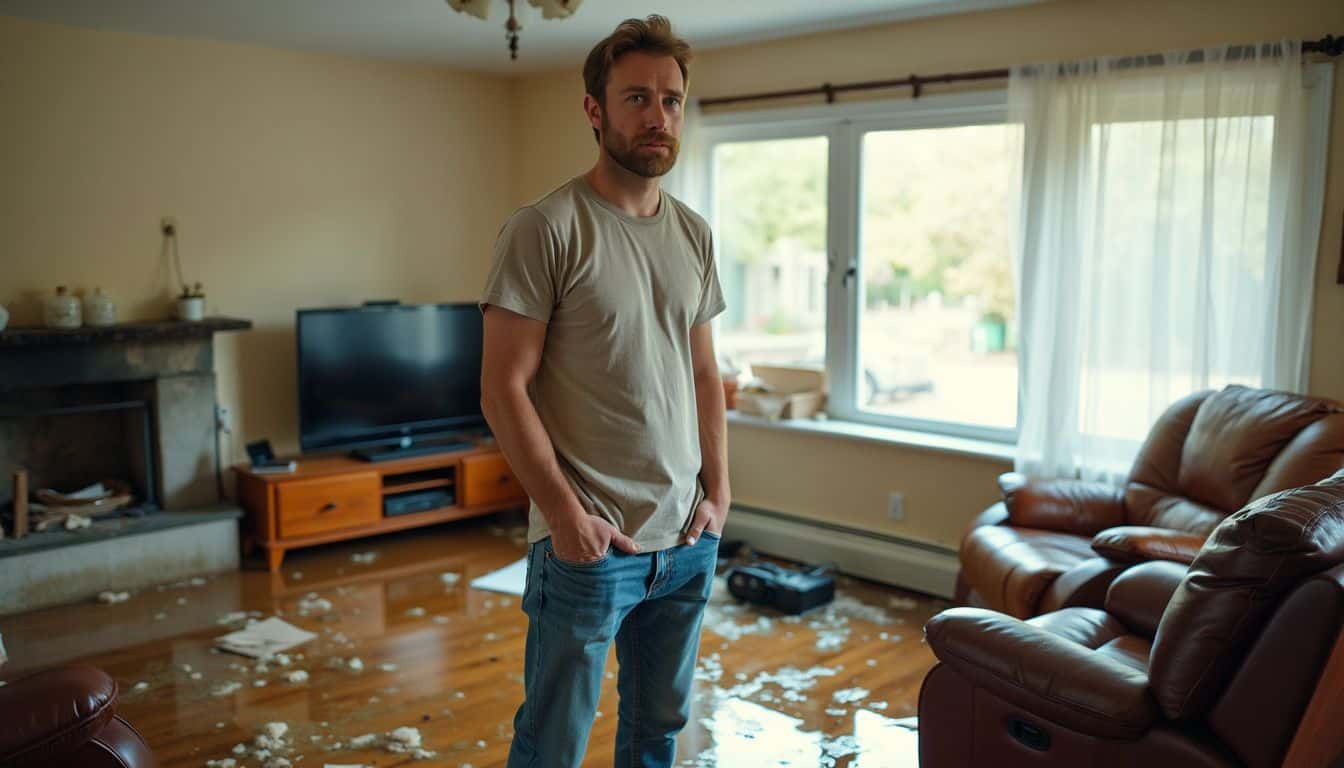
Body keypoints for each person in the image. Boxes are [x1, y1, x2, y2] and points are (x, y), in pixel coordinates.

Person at [478, 14, 728, 768]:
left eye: (673, 100)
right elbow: (502, 389)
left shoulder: (694, 233)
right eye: (637, 99)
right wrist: (564, 517)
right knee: (553, 743)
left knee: (657, 731)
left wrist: (720, 496)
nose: (659, 118)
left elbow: (705, 373)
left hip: (686, 539)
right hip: (591, 548)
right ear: (596, 110)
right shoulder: (545, 228)